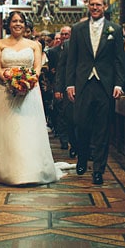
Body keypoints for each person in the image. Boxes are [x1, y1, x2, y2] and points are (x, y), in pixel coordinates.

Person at [0, 11, 71, 185]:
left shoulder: (34, 45)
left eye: (21, 21)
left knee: (27, 128)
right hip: (5, 90)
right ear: (9, 24)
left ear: (25, 25)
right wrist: (10, 80)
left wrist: (28, 81)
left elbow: (37, 67)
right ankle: (2, 169)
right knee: (5, 128)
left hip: (29, 91)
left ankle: (31, 169)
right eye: (14, 21)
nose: (18, 24)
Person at [64, 0, 125, 186]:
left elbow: (119, 60)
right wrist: (70, 84)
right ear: (88, 5)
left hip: (104, 85)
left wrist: (118, 83)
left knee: (102, 129)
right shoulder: (78, 29)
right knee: (81, 124)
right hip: (83, 83)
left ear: (104, 7)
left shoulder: (114, 30)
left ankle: (98, 170)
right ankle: (82, 156)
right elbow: (72, 59)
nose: (95, 8)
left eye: (98, 5)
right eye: (92, 4)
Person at [49, 26, 75, 155]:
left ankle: (74, 142)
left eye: (67, 34)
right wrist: (57, 88)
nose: (65, 36)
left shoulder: (75, 47)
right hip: (62, 86)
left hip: (76, 86)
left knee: (75, 116)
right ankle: (64, 140)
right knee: (63, 114)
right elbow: (58, 70)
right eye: (63, 34)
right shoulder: (54, 51)